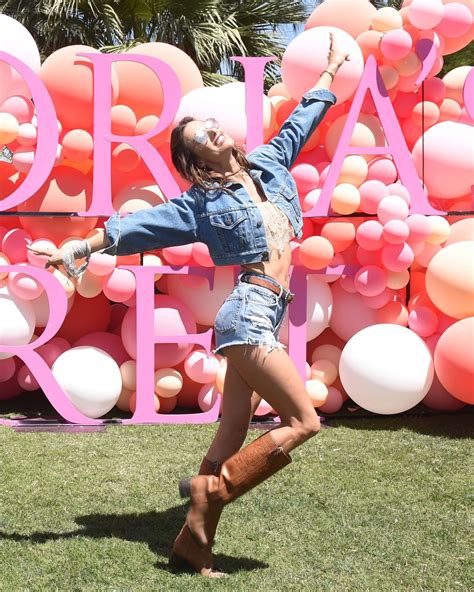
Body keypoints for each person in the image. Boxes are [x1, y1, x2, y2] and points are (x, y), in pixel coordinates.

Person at [27, 33, 350, 578]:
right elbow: (132, 230)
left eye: (212, 124)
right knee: (304, 422)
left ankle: (192, 545)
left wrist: (330, 72)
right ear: (194, 157)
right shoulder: (199, 204)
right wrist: (73, 249)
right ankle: (212, 490)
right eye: (201, 133)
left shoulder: (269, 166)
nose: (214, 129)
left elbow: (302, 121)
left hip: (265, 312)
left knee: (231, 430)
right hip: (247, 314)